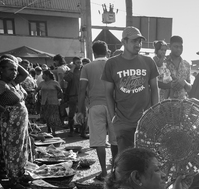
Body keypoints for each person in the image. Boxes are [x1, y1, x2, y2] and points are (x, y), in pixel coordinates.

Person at [102, 26, 159, 154]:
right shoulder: (112, 64)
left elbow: (155, 88)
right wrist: (113, 119)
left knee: (146, 159)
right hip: (123, 122)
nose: (138, 44)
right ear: (124, 42)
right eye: (134, 41)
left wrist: (156, 114)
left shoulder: (148, 61)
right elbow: (108, 93)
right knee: (127, 160)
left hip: (146, 121)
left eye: (140, 41)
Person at [0, 55, 33, 189]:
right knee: (13, 151)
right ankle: (14, 180)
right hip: (11, 125)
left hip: (19, 125)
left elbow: (26, 73)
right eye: (11, 69)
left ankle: (19, 174)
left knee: (20, 149)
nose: (15, 72)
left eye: (15, 70)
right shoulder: (1, 84)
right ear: (1, 71)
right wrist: (3, 110)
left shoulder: (13, 83)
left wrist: (15, 62)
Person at [78, 41, 118, 180]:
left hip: (95, 106)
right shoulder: (114, 65)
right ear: (107, 51)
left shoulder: (87, 67)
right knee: (115, 140)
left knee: (99, 141)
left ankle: (103, 172)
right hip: (114, 106)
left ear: (93, 52)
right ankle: (115, 171)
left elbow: (82, 90)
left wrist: (80, 110)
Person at [36, 70, 63, 136]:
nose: (42, 76)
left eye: (44, 75)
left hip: (53, 102)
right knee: (47, 116)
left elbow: (61, 91)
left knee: (53, 117)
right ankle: (48, 129)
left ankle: (53, 131)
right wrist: (35, 97)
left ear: (47, 75)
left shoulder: (55, 83)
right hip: (44, 102)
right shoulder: (42, 83)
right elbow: (36, 90)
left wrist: (60, 98)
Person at [63, 57, 82, 136]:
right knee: (71, 114)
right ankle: (71, 130)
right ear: (74, 63)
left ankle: (80, 130)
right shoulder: (69, 72)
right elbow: (67, 79)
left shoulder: (83, 71)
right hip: (72, 96)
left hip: (81, 96)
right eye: (77, 63)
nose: (79, 64)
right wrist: (72, 69)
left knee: (81, 114)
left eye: (80, 62)